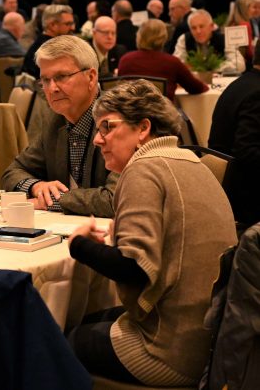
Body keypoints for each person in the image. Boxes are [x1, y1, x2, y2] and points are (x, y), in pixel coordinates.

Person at [67, 80, 237, 386]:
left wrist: (79, 244)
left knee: (59, 339)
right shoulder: (190, 161)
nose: (97, 139)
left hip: (171, 352)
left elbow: (134, 269)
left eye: (107, 127)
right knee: (90, 319)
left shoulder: (143, 168)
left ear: (143, 128)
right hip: (212, 344)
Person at [1, 35, 117, 217]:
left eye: (61, 77)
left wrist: (55, 200)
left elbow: (114, 199)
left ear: (91, 77)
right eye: (45, 80)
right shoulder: (55, 120)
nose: (52, 88)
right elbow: (12, 172)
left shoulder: (118, 121)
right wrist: (37, 187)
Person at [209, 40, 260, 229]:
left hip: (225, 181)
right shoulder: (256, 93)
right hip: (243, 193)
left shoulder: (241, 84)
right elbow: (246, 152)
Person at [118, 19, 208, 101]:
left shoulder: (125, 60)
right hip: (161, 116)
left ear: (139, 36)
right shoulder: (172, 62)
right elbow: (196, 88)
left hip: (130, 116)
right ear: (164, 38)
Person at [173, 9, 246, 74]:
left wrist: (211, 68)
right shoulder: (184, 39)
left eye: (201, 26)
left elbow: (240, 65)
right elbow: (176, 65)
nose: (198, 31)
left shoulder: (224, 39)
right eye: (193, 28)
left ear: (211, 26)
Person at [22, 4, 75, 78]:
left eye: (72, 23)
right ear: (52, 25)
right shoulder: (47, 50)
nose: (73, 28)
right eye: (68, 24)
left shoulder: (49, 44)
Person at [225, 0, 254, 65]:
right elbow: (249, 53)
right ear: (245, 9)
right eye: (251, 7)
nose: (252, 10)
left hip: (232, 63)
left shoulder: (231, 24)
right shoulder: (246, 25)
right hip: (246, 65)